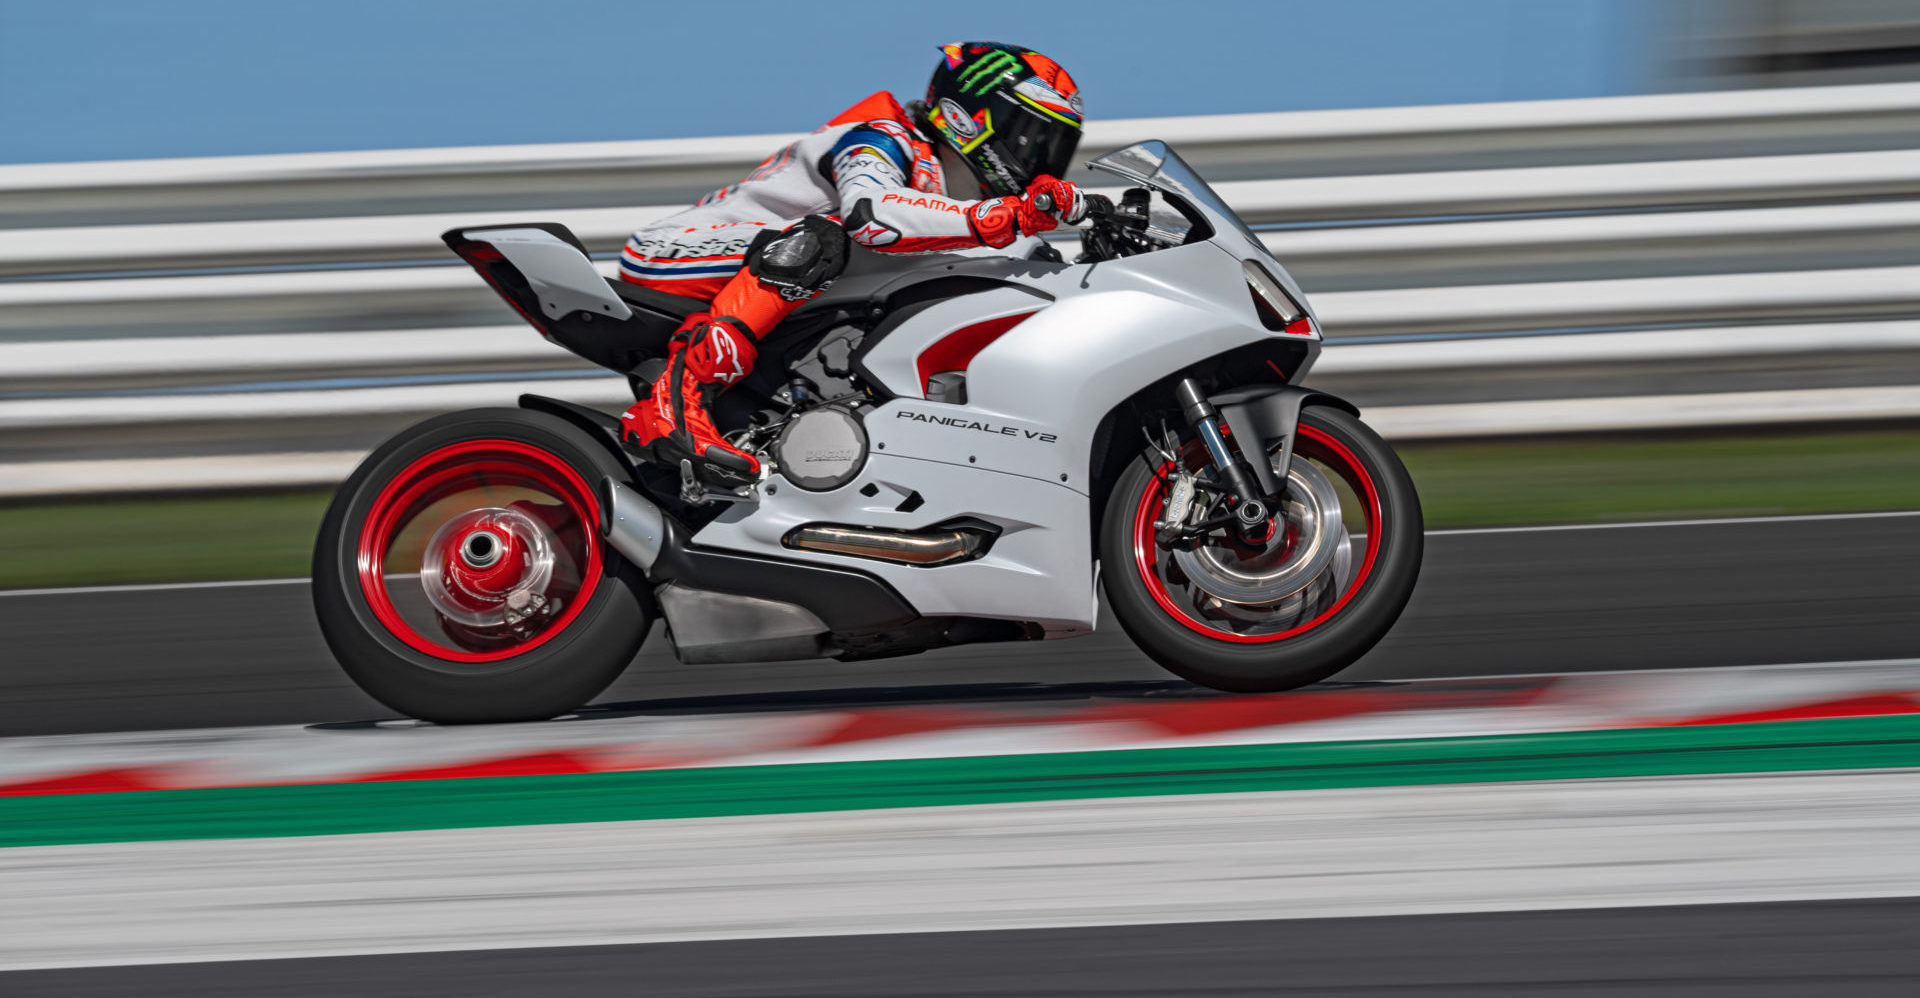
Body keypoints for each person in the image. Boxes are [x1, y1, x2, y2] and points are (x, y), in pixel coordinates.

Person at [618, 41, 1088, 483]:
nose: (1038, 158)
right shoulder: (883, 137)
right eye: (1030, 136)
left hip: (761, 278)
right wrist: (1006, 215)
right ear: (967, 118)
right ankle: (675, 399)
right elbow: (871, 216)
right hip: (674, 255)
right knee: (819, 239)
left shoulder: (951, 191)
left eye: (1054, 146)